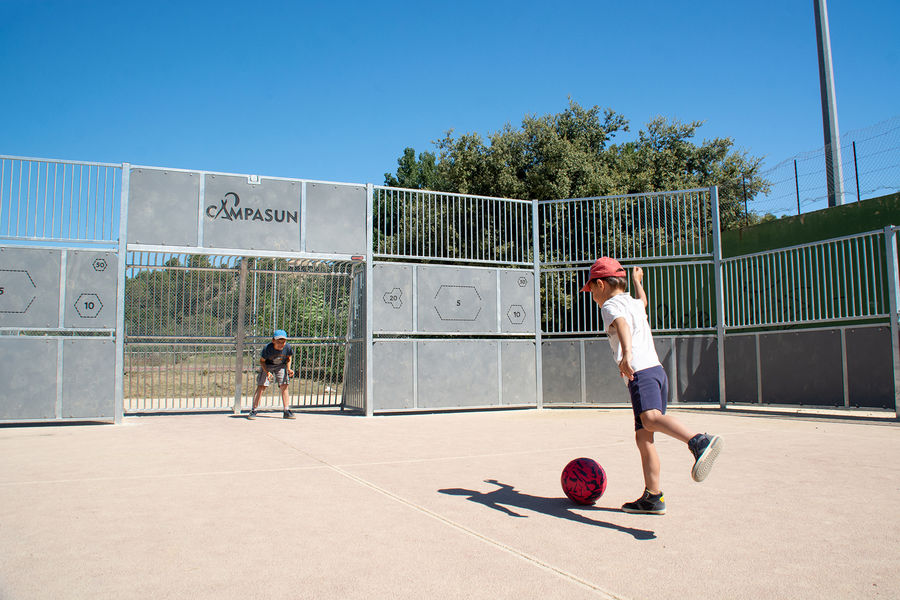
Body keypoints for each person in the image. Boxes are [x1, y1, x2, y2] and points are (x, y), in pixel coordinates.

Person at [581, 257, 722, 515]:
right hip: (656, 371)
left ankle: (699, 441)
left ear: (600, 284)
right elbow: (643, 302)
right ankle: (653, 497)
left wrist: (626, 355)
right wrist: (638, 283)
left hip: (640, 371)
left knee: (650, 419)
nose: (592, 296)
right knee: (644, 437)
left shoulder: (610, 305)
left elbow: (622, 325)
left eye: (591, 290)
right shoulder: (634, 303)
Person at [247, 330, 296, 420]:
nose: (281, 344)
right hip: (267, 365)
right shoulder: (268, 348)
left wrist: (289, 369)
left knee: (284, 385)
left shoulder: (287, 347)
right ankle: (254, 410)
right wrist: (267, 372)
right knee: (261, 386)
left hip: (280, 365)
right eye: (278, 342)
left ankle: (286, 410)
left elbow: (289, 357)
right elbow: (262, 361)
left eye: (283, 342)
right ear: (273, 340)